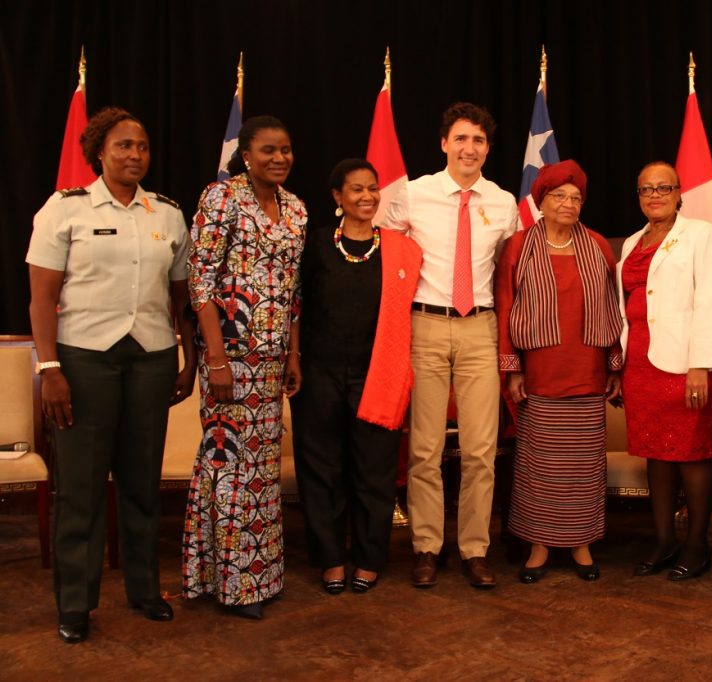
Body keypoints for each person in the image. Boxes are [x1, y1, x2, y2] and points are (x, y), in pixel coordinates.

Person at [26, 106, 195, 643]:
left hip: (149, 357)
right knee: (81, 487)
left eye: (142, 147)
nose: (135, 155)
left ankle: (145, 591)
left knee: (142, 481)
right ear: (99, 152)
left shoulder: (166, 213)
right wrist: (49, 367)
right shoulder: (65, 209)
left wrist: (187, 356)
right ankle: (75, 604)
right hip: (84, 360)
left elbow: (180, 296)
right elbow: (42, 298)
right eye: (123, 146)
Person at [383, 102, 518, 589]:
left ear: (487, 148)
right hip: (426, 326)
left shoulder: (503, 203)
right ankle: (425, 547)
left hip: (480, 328)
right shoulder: (411, 195)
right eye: (461, 138)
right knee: (425, 449)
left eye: (479, 140)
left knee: (481, 449)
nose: (469, 148)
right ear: (444, 144)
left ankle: (474, 550)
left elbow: (509, 271)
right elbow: (384, 257)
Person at [181, 115, 307, 619]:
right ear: (247, 156)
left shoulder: (297, 207)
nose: (280, 158)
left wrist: (293, 353)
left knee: (261, 469)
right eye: (269, 151)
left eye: (286, 150)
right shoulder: (221, 199)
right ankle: (231, 584)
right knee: (230, 463)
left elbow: (294, 290)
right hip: (229, 358)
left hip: (273, 359)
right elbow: (201, 281)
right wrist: (214, 357)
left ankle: (260, 577)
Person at [290, 159, 422, 595]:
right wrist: (294, 358)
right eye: (356, 190)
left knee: (374, 471)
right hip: (319, 373)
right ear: (337, 197)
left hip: (377, 371)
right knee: (322, 469)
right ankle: (330, 559)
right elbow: (295, 309)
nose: (367, 197)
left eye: (372, 188)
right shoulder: (314, 246)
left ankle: (368, 559)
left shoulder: (401, 249)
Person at [495, 160, 622, 583]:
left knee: (584, 466)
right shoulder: (517, 246)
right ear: (541, 202)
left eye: (576, 197)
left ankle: (582, 543)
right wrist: (512, 369)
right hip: (540, 374)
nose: (568, 204)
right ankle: (539, 545)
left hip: (587, 369)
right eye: (559, 196)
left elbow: (612, 308)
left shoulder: (600, 245)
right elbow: (506, 306)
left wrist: (613, 365)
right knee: (541, 465)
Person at [617, 161, 712, 581]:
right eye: (646, 189)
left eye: (664, 187)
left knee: (693, 454)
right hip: (641, 364)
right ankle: (664, 540)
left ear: (679, 192)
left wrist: (700, 364)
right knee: (656, 455)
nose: (655, 195)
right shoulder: (630, 243)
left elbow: (711, 301)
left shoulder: (699, 234)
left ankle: (698, 545)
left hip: (687, 365)